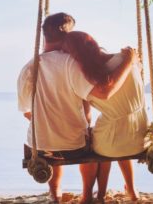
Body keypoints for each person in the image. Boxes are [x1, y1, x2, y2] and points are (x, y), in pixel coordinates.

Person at [17, 13, 137, 203]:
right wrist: (128, 61)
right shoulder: (71, 65)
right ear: (66, 35)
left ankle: (55, 194)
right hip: (74, 147)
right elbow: (101, 94)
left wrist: (48, 122)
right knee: (94, 145)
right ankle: (88, 195)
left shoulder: (29, 67)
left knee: (53, 142)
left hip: (39, 148)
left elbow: (26, 110)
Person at [62, 31, 148, 202]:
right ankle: (131, 189)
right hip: (142, 137)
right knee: (114, 131)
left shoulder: (87, 81)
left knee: (99, 142)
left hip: (113, 142)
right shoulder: (129, 58)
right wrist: (130, 60)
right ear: (94, 42)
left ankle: (97, 195)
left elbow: (87, 116)